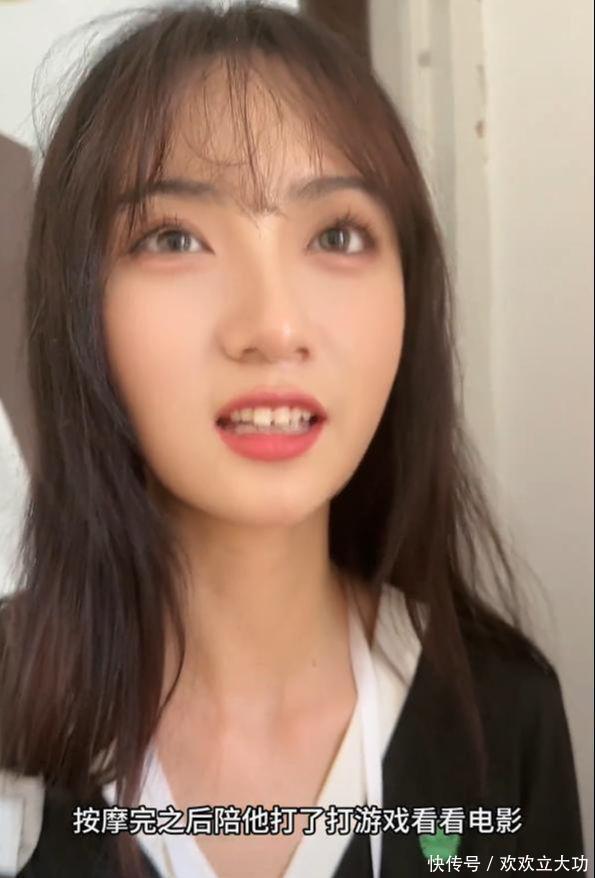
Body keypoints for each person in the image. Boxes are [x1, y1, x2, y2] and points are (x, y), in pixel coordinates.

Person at [0, 3, 585, 877]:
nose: (274, 327)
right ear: (79, 305)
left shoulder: (500, 719)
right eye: (174, 237)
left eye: (337, 235)